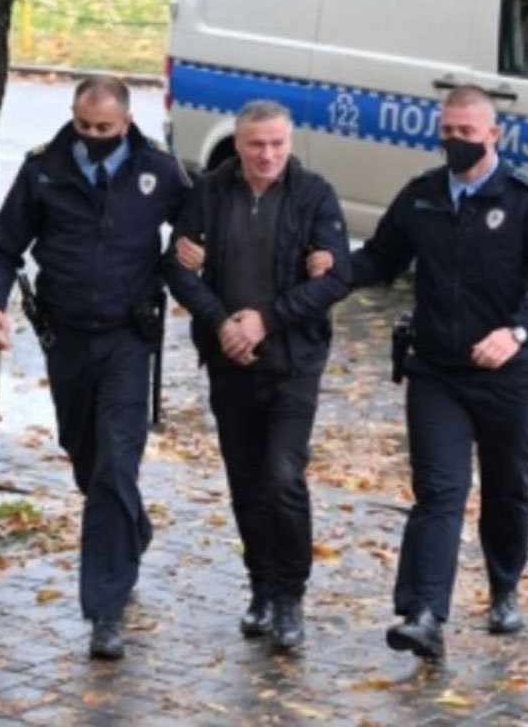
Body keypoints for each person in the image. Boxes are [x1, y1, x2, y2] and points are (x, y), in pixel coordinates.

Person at [349, 85, 528, 661]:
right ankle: (424, 614)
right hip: (437, 373)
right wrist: (319, 270)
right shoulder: (423, 196)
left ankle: (504, 588)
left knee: (507, 488)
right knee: (438, 490)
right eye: (447, 131)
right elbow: (378, 258)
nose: (455, 141)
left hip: (508, 376)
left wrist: (518, 332)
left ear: (494, 135)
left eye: (467, 133)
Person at [0, 76, 189, 661]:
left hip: (128, 338)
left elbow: (200, 224)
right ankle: (131, 530)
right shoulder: (44, 169)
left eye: (105, 128)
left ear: (126, 122)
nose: (93, 136)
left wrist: (189, 251)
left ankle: (105, 612)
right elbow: (1, 248)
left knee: (117, 463)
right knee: (87, 456)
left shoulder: (158, 170)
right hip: (66, 336)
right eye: (84, 125)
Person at [164, 99, 351, 652]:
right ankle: (262, 587)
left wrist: (264, 320)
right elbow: (177, 268)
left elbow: (335, 278)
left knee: (282, 474)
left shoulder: (314, 194)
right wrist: (223, 324)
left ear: (289, 142)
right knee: (246, 480)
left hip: (293, 362)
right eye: (256, 145)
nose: (267, 155)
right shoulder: (209, 192)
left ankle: (291, 593)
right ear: (238, 143)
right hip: (229, 361)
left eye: (276, 144)